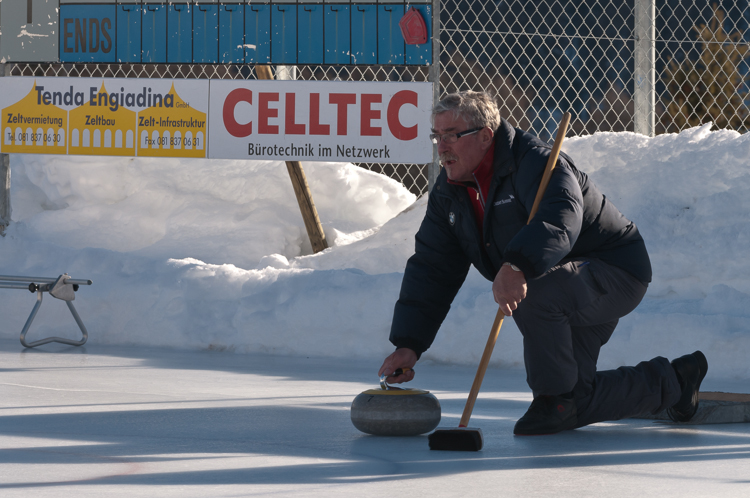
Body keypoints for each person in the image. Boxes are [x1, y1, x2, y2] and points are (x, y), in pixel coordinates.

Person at [378, 91, 708, 435]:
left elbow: (561, 215)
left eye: (452, 135)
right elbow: (432, 269)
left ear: (485, 136)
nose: (441, 146)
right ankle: (675, 382)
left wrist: (518, 265)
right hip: (560, 286)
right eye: (437, 135)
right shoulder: (450, 194)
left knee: (534, 298)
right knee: (577, 399)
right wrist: (409, 344)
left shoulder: (534, 161)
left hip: (613, 271)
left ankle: (554, 400)